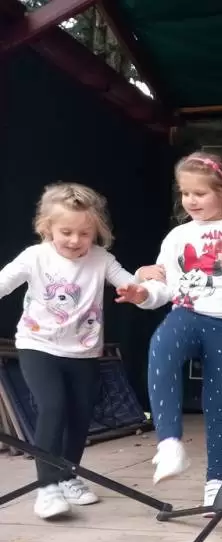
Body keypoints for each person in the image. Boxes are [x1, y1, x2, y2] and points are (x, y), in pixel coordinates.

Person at [117, 151, 222, 510]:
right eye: (185, 193)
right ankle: (169, 444)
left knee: (218, 400)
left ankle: (217, 480)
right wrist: (142, 294)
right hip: (188, 312)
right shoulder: (178, 236)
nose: (190, 200)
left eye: (200, 193)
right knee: (161, 348)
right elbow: (164, 286)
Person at [0, 183, 154, 519]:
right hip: (38, 345)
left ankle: (68, 475)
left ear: (97, 231)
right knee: (52, 406)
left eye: (84, 233)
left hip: (83, 352)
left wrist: (140, 290)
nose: (74, 240)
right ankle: (46, 487)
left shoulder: (102, 259)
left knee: (80, 415)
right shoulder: (35, 256)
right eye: (66, 232)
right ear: (47, 228)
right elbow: (3, 282)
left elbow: (131, 285)